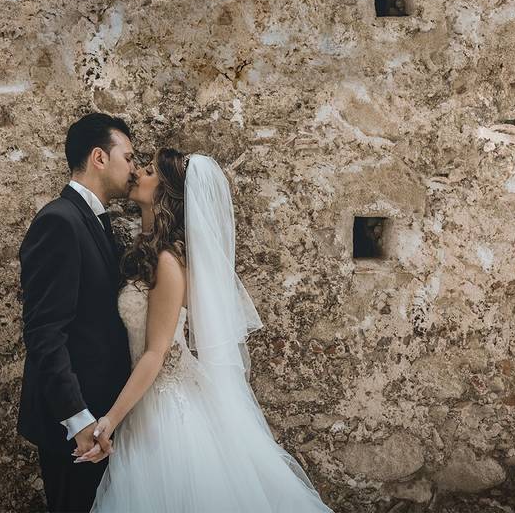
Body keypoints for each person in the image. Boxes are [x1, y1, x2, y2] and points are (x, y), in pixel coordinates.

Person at [78, 149, 334, 513]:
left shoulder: (168, 261)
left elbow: (157, 352)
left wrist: (109, 421)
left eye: (148, 171)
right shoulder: (149, 252)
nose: (136, 172)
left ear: (166, 193)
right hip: (145, 402)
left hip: (165, 409)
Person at [17, 112, 137, 512]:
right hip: (75, 427)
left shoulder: (96, 221)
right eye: (129, 156)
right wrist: (78, 419)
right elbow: (45, 332)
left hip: (102, 415)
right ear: (99, 157)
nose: (134, 168)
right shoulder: (59, 221)